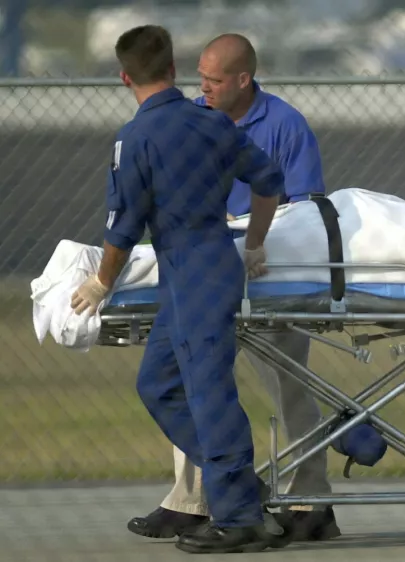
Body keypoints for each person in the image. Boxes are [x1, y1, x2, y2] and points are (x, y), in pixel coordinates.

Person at [69, 25, 284, 553]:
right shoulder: (213, 123)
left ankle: (239, 521)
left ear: (125, 77)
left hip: (194, 271)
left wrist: (100, 282)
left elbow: (124, 226)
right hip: (204, 268)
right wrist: (255, 242)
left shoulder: (135, 139)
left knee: (210, 395)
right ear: (172, 68)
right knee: (159, 385)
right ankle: (239, 487)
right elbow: (269, 180)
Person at [125, 32, 339, 544]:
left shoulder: (285, 124)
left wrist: (252, 238)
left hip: (268, 268)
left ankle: (311, 500)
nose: (203, 88)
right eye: (200, 77)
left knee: (288, 384)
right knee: (195, 384)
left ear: (244, 79)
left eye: (215, 80)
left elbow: (304, 207)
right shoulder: (191, 117)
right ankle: (194, 500)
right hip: (207, 268)